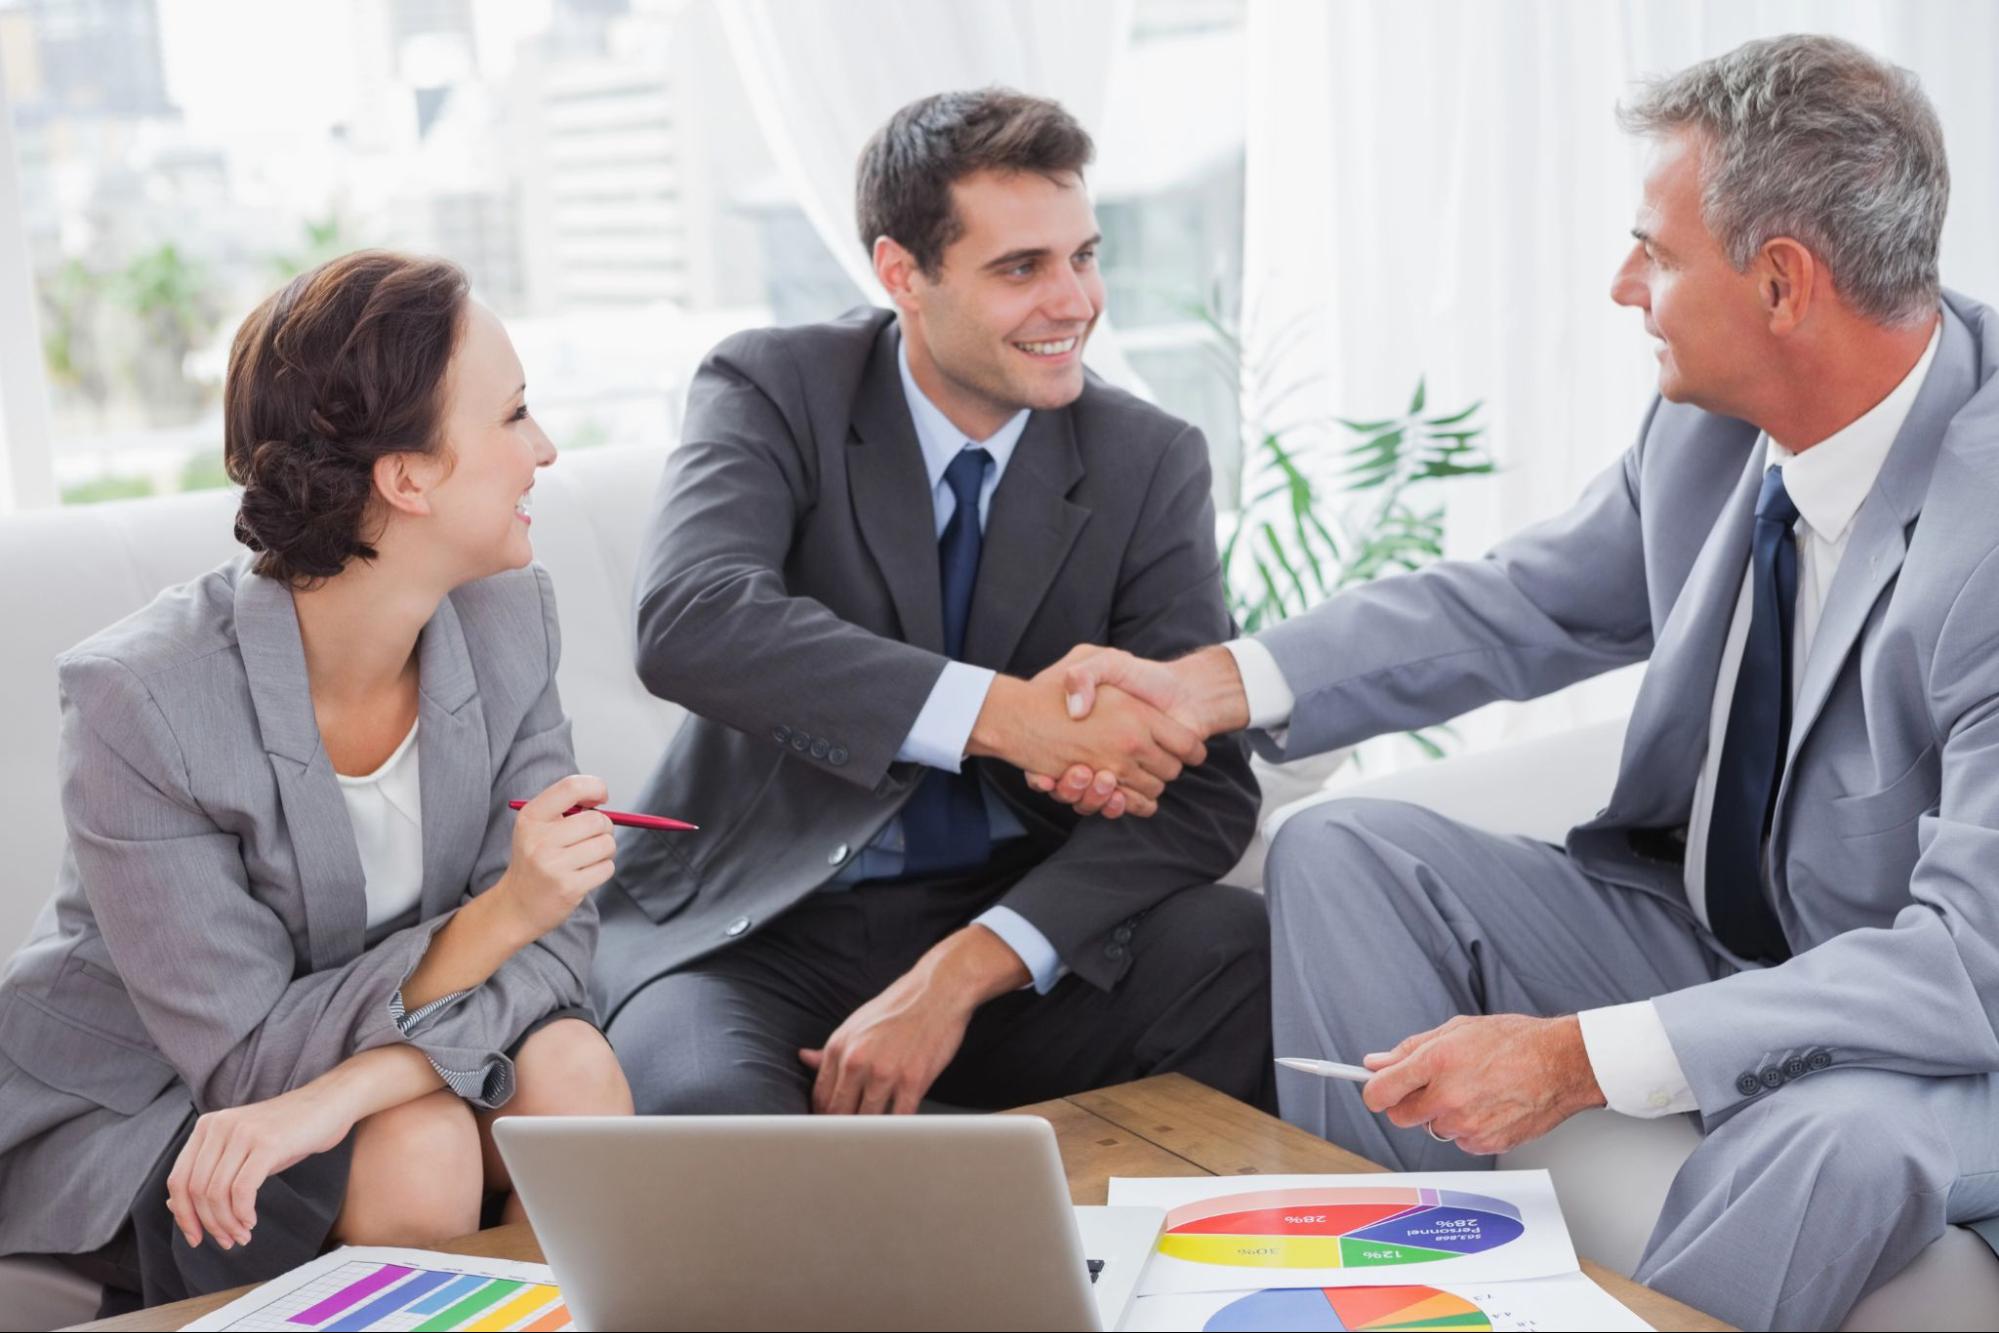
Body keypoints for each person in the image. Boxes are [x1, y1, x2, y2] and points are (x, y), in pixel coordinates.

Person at [1044, 35, 1999, 1332]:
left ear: (1781, 284)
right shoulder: (1711, 420)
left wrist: (1573, 1057)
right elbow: (1531, 598)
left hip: (1937, 1017)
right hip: (1722, 931)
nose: (1621, 285)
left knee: (1832, 1146)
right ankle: (1399, 1295)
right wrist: (1216, 682)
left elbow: (1966, 964)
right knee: (1342, 855)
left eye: (1651, 254)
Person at [592, 88, 1272, 1118]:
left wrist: (965, 969)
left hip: (1010, 933)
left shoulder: (1148, 458)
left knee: (1243, 961)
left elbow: (1204, 791)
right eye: (1020, 268)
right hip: (760, 930)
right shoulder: (775, 387)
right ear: (901, 272)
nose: (1074, 302)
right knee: (709, 1128)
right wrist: (1012, 720)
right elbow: (695, 620)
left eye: (1082, 255)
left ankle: (1116, 1273)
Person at [0, 251, 632, 1313]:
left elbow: (562, 949)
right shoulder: (141, 700)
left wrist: (347, 1089)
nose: (545, 449)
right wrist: (498, 918)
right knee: (417, 1146)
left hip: (342, 1074)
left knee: (569, 1067)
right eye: (515, 415)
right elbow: (245, 1062)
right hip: (166, 1102)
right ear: (409, 476)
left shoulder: (510, 619)